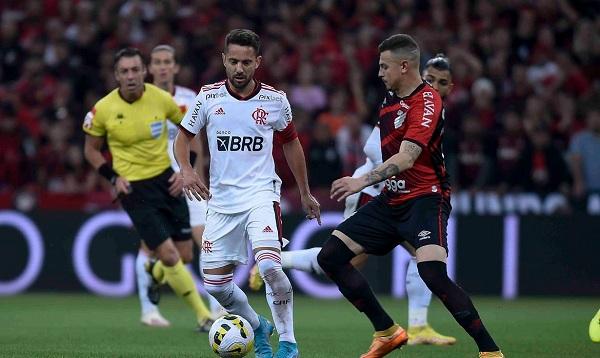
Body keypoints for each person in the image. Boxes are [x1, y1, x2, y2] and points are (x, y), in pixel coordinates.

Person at [248, 53, 457, 346]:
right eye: (430, 78)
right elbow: (373, 148)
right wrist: (400, 162)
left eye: (442, 82)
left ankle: (419, 326)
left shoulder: (431, 109)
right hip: (374, 191)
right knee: (348, 260)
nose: (435, 85)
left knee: (416, 253)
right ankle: (276, 261)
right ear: (419, 75)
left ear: (451, 88)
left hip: (397, 192)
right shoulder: (403, 101)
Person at [318, 34, 503, 358]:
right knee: (330, 257)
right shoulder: (390, 97)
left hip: (426, 199)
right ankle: (387, 331)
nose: (379, 72)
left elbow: (406, 157)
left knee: (432, 273)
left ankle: (490, 351)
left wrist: (360, 181)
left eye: (384, 66)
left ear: (404, 66)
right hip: (392, 199)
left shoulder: (428, 101)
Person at [174, 29, 321, 358]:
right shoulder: (208, 98)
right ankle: (257, 326)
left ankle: (288, 342)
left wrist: (306, 192)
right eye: (233, 61)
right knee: (215, 285)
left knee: (269, 267)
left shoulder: (274, 100)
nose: (239, 69)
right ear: (223, 60)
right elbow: (183, 138)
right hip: (222, 202)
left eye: (246, 62)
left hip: (261, 195)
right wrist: (186, 170)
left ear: (257, 62)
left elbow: (292, 143)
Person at [82, 47, 214, 332]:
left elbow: (190, 137)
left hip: (167, 181)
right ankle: (204, 316)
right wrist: (113, 177)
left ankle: (155, 273)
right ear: (117, 75)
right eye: (124, 71)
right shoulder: (102, 109)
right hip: (134, 189)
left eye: (135, 70)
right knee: (168, 254)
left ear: (144, 72)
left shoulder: (163, 100)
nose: (130, 76)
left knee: (185, 256)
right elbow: (91, 151)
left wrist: (186, 171)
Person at [133, 44, 223, 328]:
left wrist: (198, 177)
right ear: (150, 68)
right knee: (151, 246)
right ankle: (150, 312)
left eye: (167, 62)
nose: (162, 66)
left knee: (205, 244)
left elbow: (197, 142)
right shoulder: (140, 100)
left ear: (175, 67)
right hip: (154, 184)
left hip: (188, 180)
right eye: (156, 61)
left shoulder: (189, 99)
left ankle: (219, 308)